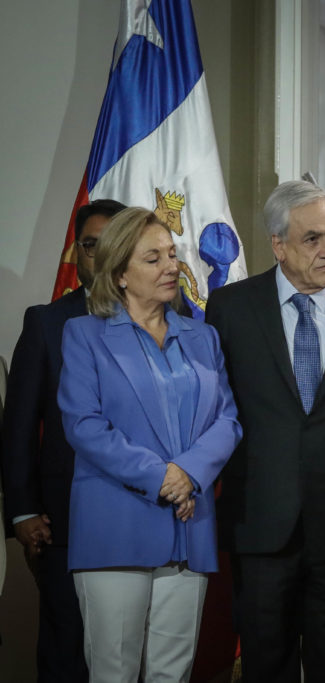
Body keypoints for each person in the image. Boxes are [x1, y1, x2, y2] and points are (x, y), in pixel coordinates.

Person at [205, 181, 325, 683]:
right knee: (267, 665)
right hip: (260, 524)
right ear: (279, 244)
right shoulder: (230, 309)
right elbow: (218, 406)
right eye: (312, 238)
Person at [57, 208, 241, 681]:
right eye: (153, 258)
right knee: (113, 672)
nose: (171, 267)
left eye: (172, 255)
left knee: (173, 675)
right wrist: (163, 478)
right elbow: (84, 425)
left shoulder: (203, 337)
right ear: (120, 273)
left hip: (189, 528)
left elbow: (227, 420)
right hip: (115, 530)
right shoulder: (84, 335)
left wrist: (189, 474)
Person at [1, 199, 124, 683]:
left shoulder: (161, 320)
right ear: (78, 251)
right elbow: (19, 425)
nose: (102, 255)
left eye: (113, 244)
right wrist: (23, 510)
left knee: (129, 653)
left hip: (141, 518)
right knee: (66, 650)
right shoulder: (47, 322)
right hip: (64, 522)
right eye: (91, 245)